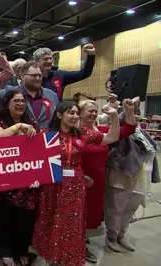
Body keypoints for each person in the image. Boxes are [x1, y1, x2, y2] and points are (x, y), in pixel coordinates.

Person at [32, 101, 121, 266]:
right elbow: (32, 159)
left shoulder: (83, 133)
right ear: (59, 115)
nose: (75, 116)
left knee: (71, 223)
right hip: (52, 185)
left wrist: (114, 116)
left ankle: (67, 258)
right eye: (70, 113)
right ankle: (49, 255)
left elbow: (112, 137)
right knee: (50, 219)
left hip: (74, 186)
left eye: (76, 113)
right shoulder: (46, 134)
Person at [79, 98, 137, 263]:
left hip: (99, 179)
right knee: (80, 212)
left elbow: (128, 129)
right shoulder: (76, 133)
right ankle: (79, 244)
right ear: (80, 113)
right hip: (82, 178)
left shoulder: (101, 130)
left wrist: (129, 110)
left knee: (92, 213)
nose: (93, 113)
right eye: (89, 110)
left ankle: (81, 238)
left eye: (95, 110)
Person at [0, 89, 38, 266]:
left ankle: (22, 250)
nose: (20, 104)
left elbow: (40, 151)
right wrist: (17, 128)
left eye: (22, 101)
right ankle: (5, 251)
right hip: (6, 181)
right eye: (15, 101)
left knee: (25, 219)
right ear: (7, 104)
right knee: (5, 218)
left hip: (28, 181)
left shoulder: (33, 124)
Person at [104, 108, 160, 253]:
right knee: (116, 210)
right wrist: (124, 112)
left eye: (137, 114)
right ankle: (111, 237)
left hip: (141, 179)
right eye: (131, 114)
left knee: (130, 210)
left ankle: (122, 235)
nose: (135, 116)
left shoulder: (143, 134)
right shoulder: (121, 134)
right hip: (122, 177)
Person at [0, 61, 59, 129]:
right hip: (18, 140)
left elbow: (57, 120)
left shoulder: (52, 95)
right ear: (22, 77)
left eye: (39, 75)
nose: (38, 78)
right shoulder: (10, 92)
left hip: (47, 142)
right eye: (34, 75)